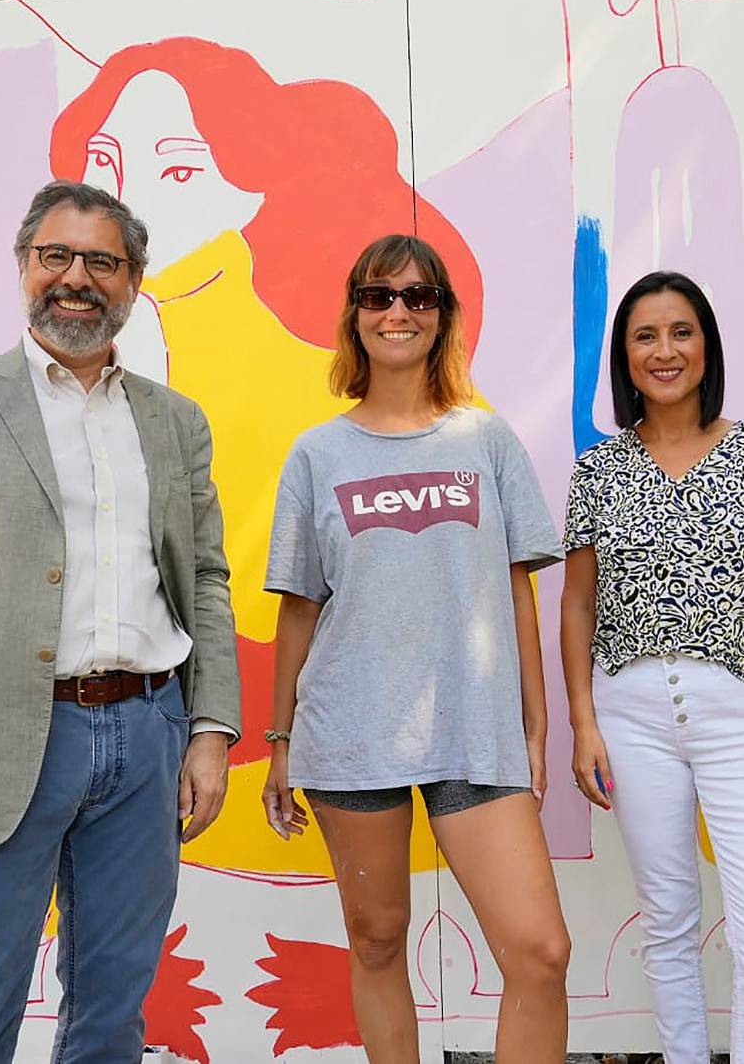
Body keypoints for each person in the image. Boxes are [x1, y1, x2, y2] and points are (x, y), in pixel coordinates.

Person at [261, 234, 570, 1063]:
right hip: (350, 732)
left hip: (473, 729)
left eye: (418, 296)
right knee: (378, 940)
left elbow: (518, 590)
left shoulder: (486, 441)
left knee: (540, 954)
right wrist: (281, 740)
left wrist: (534, 728)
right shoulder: (316, 454)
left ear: (442, 318)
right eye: (378, 295)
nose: (397, 311)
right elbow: (298, 610)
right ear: (354, 314)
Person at [0, 180, 240, 1063]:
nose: (77, 278)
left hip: (148, 736)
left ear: (133, 280)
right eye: (56, 255)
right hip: (12, 736)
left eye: (102, 260)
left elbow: (206, 578)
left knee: (113, 1007)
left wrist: (209, 731)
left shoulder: (174, 422)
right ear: (25, 266)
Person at [561, 270, 744, 1063]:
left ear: (707, 344)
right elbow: (576, 605)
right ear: (625, 357)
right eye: (645, 336)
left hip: (733, 707)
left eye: (680, 332)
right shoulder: (600, 470)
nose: (664, 350)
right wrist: (583, 722)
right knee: (666, 918)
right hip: (629, 711)